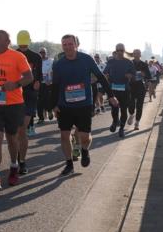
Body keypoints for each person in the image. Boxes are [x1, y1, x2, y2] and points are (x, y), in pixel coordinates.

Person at [48, 34, 119, 176]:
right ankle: (69, 164)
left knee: (85, 137)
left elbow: (101, 77)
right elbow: (55, 86)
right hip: (65, 105)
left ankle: (84, 150)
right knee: (64, 135)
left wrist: (111, 96)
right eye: (64, 45)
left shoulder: (86, 59)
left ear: (76, 45)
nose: (68, 47)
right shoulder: (59, 64)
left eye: (70, 44)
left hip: (84, 104)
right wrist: (53, 105)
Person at [0, 31, 35, 192]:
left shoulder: (17, 56)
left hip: (14, 104)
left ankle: (14, 165)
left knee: (12, 138)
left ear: (7, 42)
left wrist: (16, 84)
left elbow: (29, 77)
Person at [15, 30, 43, 175]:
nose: (23, 46)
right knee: (15, 132)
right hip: (14, 94)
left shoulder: (36, 57)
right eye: (22, 43)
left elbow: (39, 75)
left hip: (30, 94)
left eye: (25, 43)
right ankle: (16, 159)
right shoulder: (13, 55)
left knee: (22, 129)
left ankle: (22, 161)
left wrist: (38, 82)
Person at [105, 43, 135, 138]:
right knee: (114, 109)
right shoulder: (111, 62)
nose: (120, 52)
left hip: (124, 90)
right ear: (115, 51)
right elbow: (105, 73)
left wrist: (130, 76)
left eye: (121, 50)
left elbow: (134, 75)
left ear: (124, 51)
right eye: (118, 50)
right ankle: (115, 122)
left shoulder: (128, 62)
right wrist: (106, 77)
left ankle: (121, 128)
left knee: (123, 110)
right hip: (113, 90)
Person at [128, 49, 152, 130]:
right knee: (131, 103)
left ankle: (137, 123)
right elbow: (125, 73)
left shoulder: (144, 64)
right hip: (131, 86)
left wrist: (144, 75)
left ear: (140, 55)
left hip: (141, 86)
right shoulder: (129, 63)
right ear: (133, 55)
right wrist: (129, 75)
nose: (137, 55)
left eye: (138, 53)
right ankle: (131, 114)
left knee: (139, 105)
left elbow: (148, 76)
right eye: (135, 53)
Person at [38, 47, 54, 124]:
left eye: (43, 52)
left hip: (48, 83)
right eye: (41, 52)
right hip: (40, 83)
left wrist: (51, 80)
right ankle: (41, 118)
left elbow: (53, 72)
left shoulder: (50, 61)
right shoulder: (38, 61)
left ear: (46, 52)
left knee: (48, 98)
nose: (42, 54)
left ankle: (50, 110)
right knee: (39, 101)